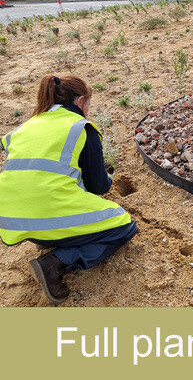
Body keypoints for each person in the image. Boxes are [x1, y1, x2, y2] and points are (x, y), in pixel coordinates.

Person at [0, 75, 137, 305]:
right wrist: (108, 177)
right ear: (81, 101)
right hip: (45, 210)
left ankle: (47, 237)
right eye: (89, 105)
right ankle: (56, 263)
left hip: (10, 216)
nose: (88, 111)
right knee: (124, 225)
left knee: (55, 189)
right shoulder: (81, 127)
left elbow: (34, 174)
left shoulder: (26, 126)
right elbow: (98, 186)